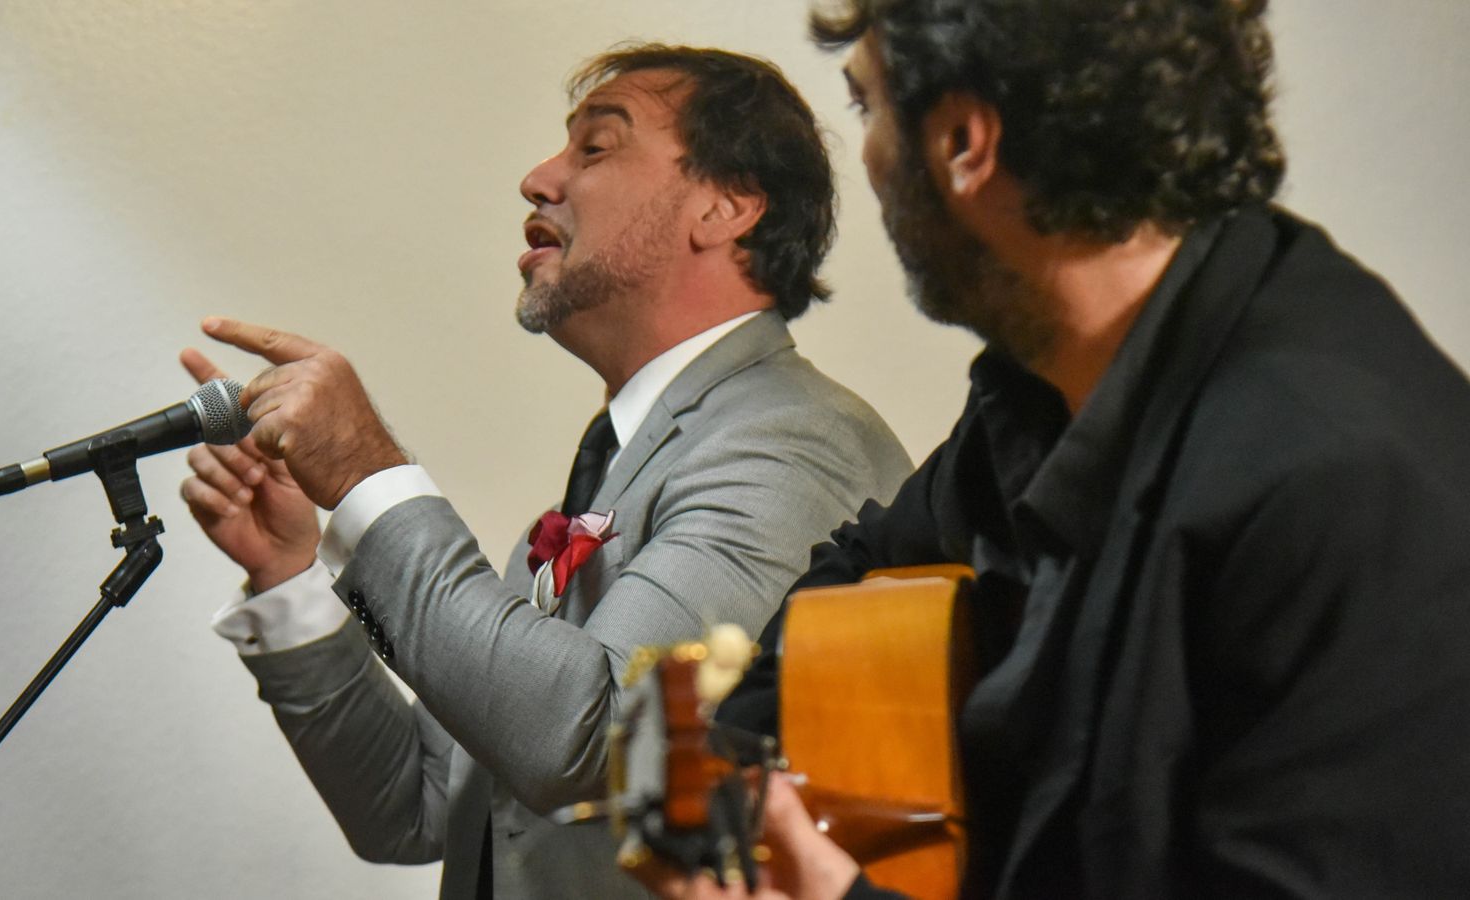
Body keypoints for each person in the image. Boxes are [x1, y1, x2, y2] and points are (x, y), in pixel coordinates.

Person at [686, 1, 1470, 898]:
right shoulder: (1045, 389)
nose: (865, 158)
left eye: (868, 108)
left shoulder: (1340, 493)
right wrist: (741, 762)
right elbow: (864, 559)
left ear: (964, 143)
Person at [179, 44, 912, 900]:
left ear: (725, 206)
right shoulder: (597, 487)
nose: (538, 177)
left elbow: (593, 735)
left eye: (596, 148)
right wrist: (290, 579)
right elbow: (416, 809)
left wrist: (368, 479)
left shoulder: (796, 442)